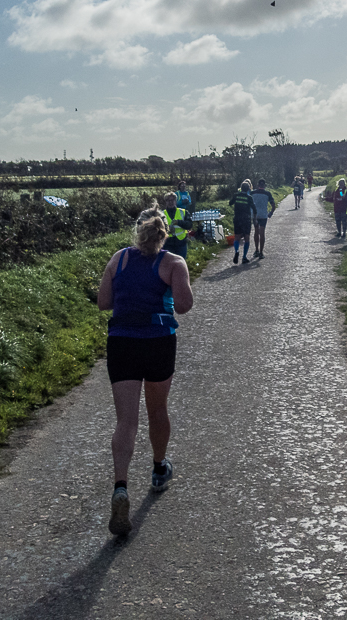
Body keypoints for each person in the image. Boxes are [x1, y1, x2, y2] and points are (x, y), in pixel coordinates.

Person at [96, 206, 193, 537]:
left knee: (126, 420)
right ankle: (158, 469)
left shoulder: (118, 259)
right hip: (157, 342)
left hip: (121, 342)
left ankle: (120, 486)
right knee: (157, 410)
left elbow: (103, 303)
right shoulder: (173, 263)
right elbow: (184, 305)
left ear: (137, 231)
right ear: (165, 232)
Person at [228, 179, 256, 264]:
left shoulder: (236, 195)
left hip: (237, 218)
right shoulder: (249, 198)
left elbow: (230, 203)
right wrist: (254, 219)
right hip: (246, 219)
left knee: (237, 237)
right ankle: (244, 257)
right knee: (247, 238)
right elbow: (254, 209)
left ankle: (236, 251)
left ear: (240, 188)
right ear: (248, 189)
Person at [161, 191, 194, 261]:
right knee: (169, 265)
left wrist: (179, 222)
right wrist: (167, 229)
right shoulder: (161, 214)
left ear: (175, 201)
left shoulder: (184, 212)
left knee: (181, 263)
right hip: (168, 244)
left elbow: (189, 225)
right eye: (168, 200)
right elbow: (158, 229)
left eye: (172, 200)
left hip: (181, 243)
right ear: (165, 202)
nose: (170, 202)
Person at [251, 178, 276, 258]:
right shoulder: (267, 194)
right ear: (264, 186)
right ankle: (261, 252)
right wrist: (271, 213)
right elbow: (273, 205)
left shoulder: (253, 193)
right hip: (263, 215)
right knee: (262, 233)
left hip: (255, 215)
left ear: (258, 185)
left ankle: (256, 250)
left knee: (256, 232)